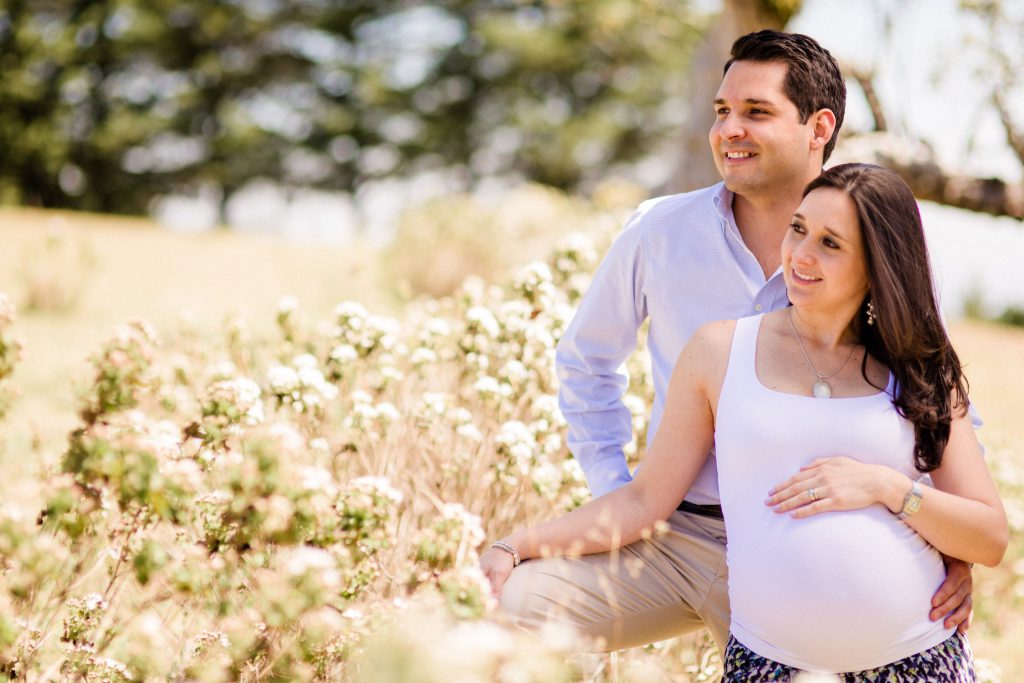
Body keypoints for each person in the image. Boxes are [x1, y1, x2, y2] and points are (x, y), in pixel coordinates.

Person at [496, 30, 976, 654]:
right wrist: (615, 491)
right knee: (506, 611)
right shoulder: (659, 231)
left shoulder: (881, 248)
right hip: (673, 538)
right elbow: (587, 362)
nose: (729, 130)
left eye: (756, 112)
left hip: (813, 547)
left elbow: (935, 399)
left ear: (818, 126)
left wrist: (946, 540)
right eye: (722, 111)